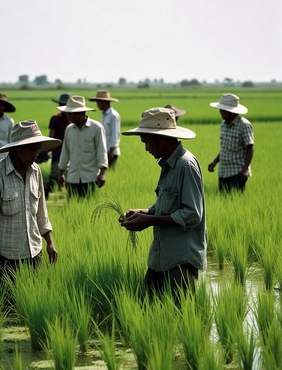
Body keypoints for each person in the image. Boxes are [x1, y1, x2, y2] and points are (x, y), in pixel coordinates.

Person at [120, 107, 207, 299]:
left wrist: (150, 221)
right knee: (148, 314)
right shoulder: (168, 164)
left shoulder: (186, 165)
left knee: (178, 321)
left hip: (180, 262)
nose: (146, 148)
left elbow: (193, 214)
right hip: (160, 258)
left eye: (147, 142)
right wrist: (144, 213)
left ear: (162, 138)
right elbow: (167, 204)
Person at [0, 120, 60, 288]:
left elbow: (41, 212)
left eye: (38, 147)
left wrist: (50, 242)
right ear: (17, 148)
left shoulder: (35, 171)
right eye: (32, 147)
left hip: (34, 253)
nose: (37, 152)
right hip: (7, 257)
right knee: (6, 308)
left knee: (33, 304)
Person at [57, 96, 108, 198]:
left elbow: (101, 152)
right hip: (72, 178)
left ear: (80, 113)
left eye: (70, 113)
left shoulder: (96, 128)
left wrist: (102, 174)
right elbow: (65, 153)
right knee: (73, 208)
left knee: (90, 208)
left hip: (90, 178)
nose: (67, 116)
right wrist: (61, 174)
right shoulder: (69, 130)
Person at [208, 93, 254, 192]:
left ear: (229, 111)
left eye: (222, 110)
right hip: (223, 171)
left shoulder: (244, 125)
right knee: (224, 202)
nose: (220, 112)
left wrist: (245, 169)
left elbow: (250, 148)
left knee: (236, 201)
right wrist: (214, 162)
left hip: (237, 172)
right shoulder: (224, 125)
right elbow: (225, 147)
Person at [44, 93, 71, 197]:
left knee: (69, 180)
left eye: (66, 104)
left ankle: (66, 199)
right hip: (57, 154)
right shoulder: (55, 119)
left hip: (71, 155)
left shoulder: (73, 120)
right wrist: (46, 151)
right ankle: (49, 199)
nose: (63, 107)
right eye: (61, 104)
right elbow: (51, 137)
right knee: (55, 177)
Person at [89, 90, 121, 167]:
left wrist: (110, 152)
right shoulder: (104, 115)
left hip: (111, 152)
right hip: (104, 151)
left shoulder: (113, 115)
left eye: (98, 102)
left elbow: (115, 136)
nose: (97, 105)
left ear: (104, 102)